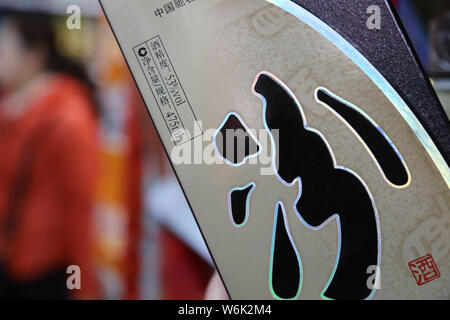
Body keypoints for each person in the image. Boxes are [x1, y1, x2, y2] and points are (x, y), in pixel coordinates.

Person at [0, 10, 99, 299]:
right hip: (9, 257)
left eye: (5, 46)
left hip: (43, 268)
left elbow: (80, 206)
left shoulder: (68, 117)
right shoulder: (9, 106)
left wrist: (83, 286)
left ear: (34, 54)